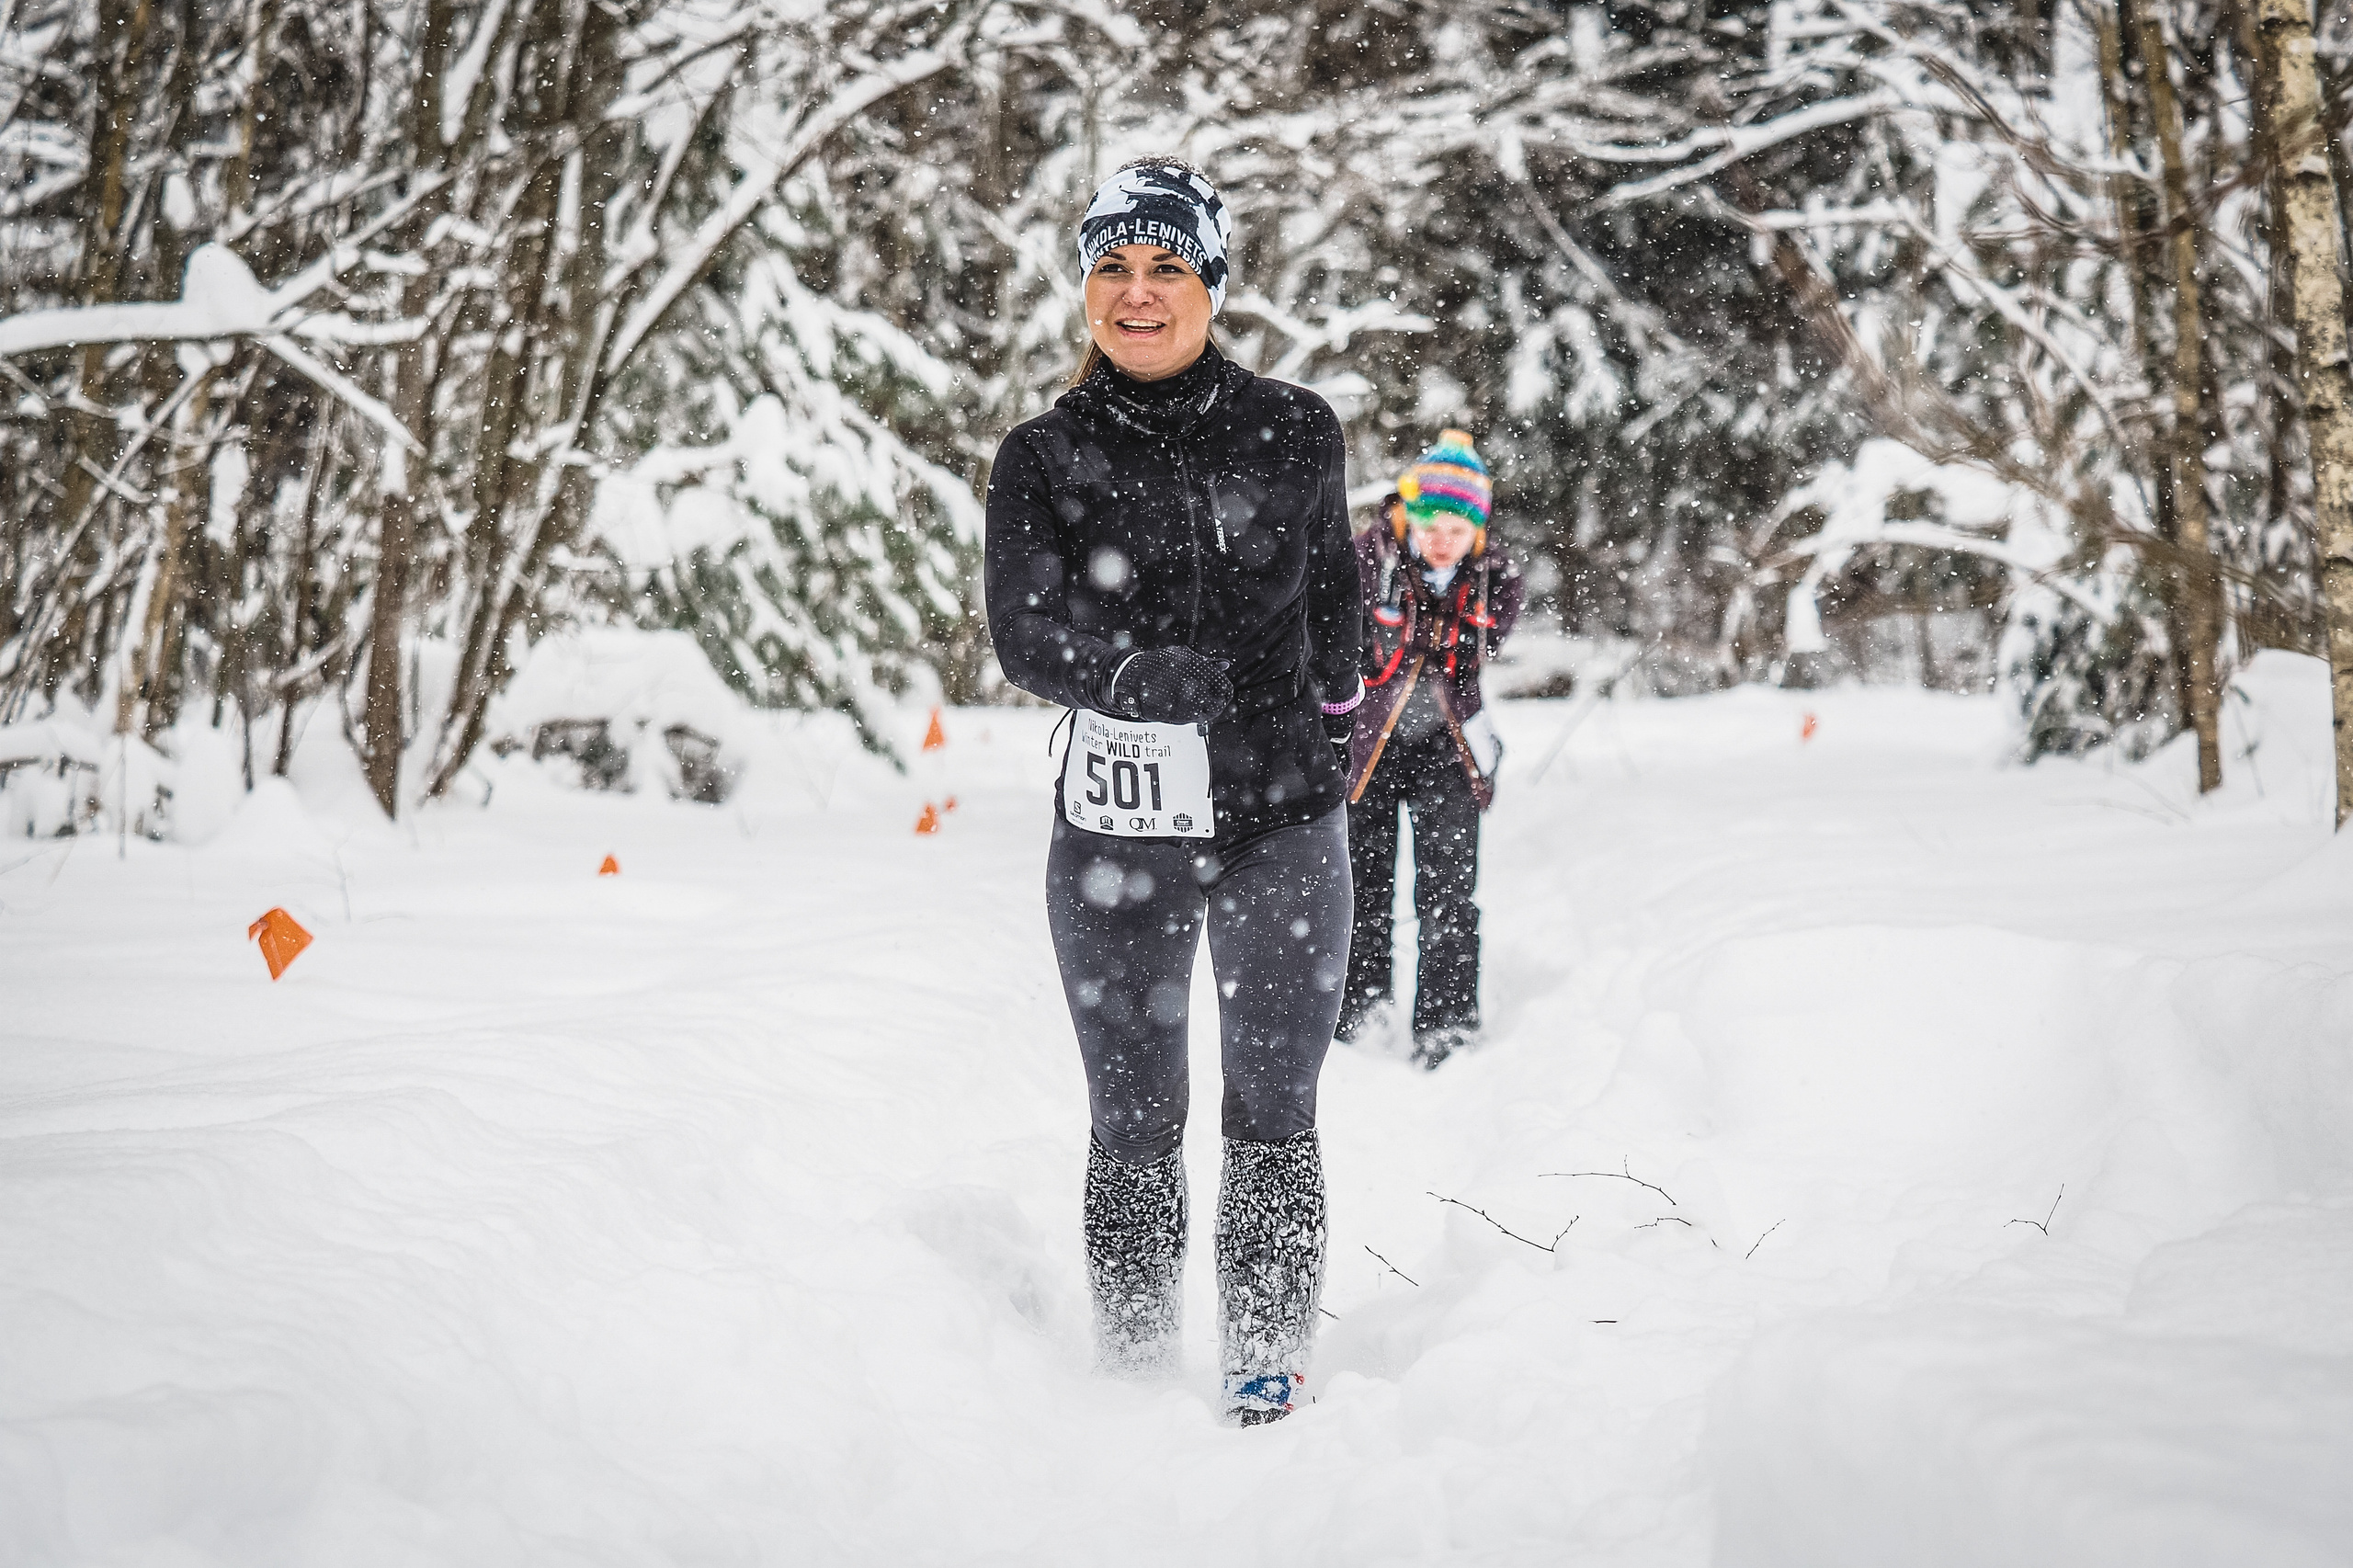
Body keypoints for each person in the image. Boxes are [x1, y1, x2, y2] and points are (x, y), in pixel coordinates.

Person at [983, 158, 1364, 1426]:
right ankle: (1137, 1366)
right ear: (1086, 285)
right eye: (1113, 268)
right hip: (1120, 831)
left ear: (1212, 280)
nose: (1137, 294)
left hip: (1278, 824)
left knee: (1272, 1104)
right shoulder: (1043, 453)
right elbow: (1024, 632)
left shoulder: (1298, 426)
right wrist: (1128, 672)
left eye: (1166, 267)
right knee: (1137, 1112)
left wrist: (1340, 701)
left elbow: (1333, 599)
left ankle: (1266, 1359)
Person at [1336, 430, 1522, 1069]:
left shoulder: (1495, 574)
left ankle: (1447, 1028)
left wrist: (1450, 617)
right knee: (1362, 886)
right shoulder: (1366, 558)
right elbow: (1339, 640)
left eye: (1460, 525)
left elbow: (1481, 649)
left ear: (1478, 527)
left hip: (1450, 749)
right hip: (1369, 748)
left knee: (1448, 893)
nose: (1443, 537)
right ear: (1408, 512)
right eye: (1431, 521)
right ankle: (1358, 1016)